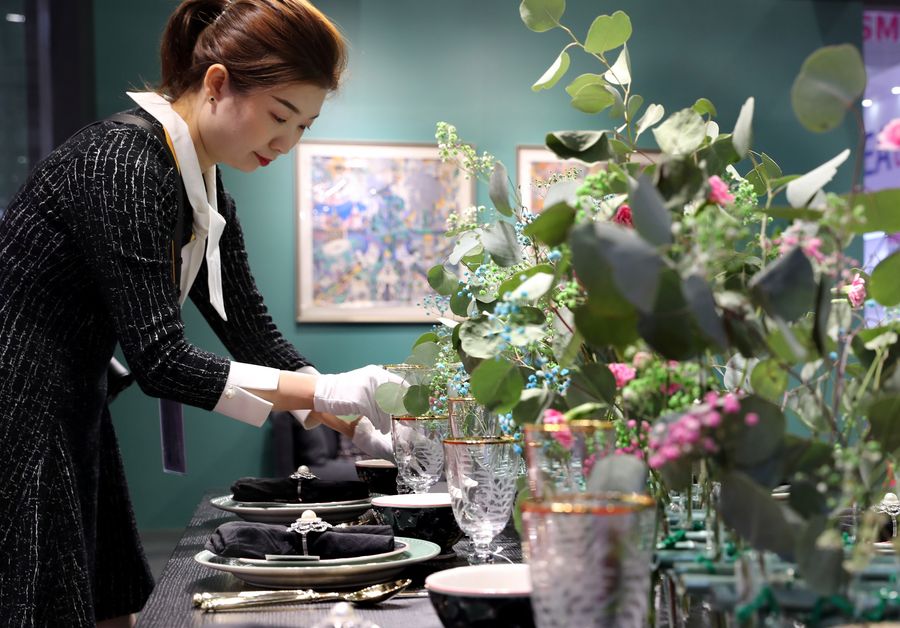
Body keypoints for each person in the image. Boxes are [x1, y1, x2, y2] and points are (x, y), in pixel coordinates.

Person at [0, 1, 399, 625]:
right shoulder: (123, 162)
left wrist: (353, 423)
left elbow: (252, 332)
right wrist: (332, 391)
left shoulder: (202, 186)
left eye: (304, 125)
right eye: (280, 116)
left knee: (110, 598)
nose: (287, 143)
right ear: (216, 83)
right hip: (21, 411)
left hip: (73, 406)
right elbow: (161, 361)